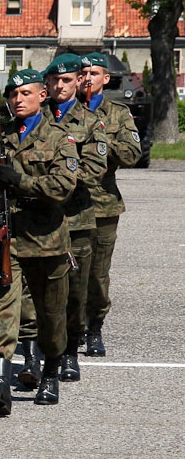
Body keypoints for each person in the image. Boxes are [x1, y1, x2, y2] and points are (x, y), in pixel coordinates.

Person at [0, 69, 77, 405]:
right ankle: (0, 379)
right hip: (8, 236)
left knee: (51, 315)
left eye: (25, 93)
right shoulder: (0, 136)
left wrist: (19, 182)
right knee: (2, 310)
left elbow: (62, 187)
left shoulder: (60, 138)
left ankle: (51, 371)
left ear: (43, 96)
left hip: (47, 239)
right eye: (13, 94)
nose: (18, 100)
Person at [42, 54, 107, 382]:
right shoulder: (35, 118)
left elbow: (95, 170)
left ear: (77, 82)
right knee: (36, 290)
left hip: (76, 218)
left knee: (75, 291)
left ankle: (70, 352)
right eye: (53, 81)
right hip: (38, 220)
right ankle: (39, 351)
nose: (59, 86)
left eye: (66, 80)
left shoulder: (91, 121)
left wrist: (54, 179)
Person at [79, 52, 142, 357]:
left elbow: (132, 155)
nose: (87, 78)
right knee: (63, 272)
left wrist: (101, 139)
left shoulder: (118, 113)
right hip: (63, 205)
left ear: (106, 79)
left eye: (94, 73)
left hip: (102, 206)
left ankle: (94, 328)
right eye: (83, 73)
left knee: (96, 275)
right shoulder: (63, 111)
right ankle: (68, 327)